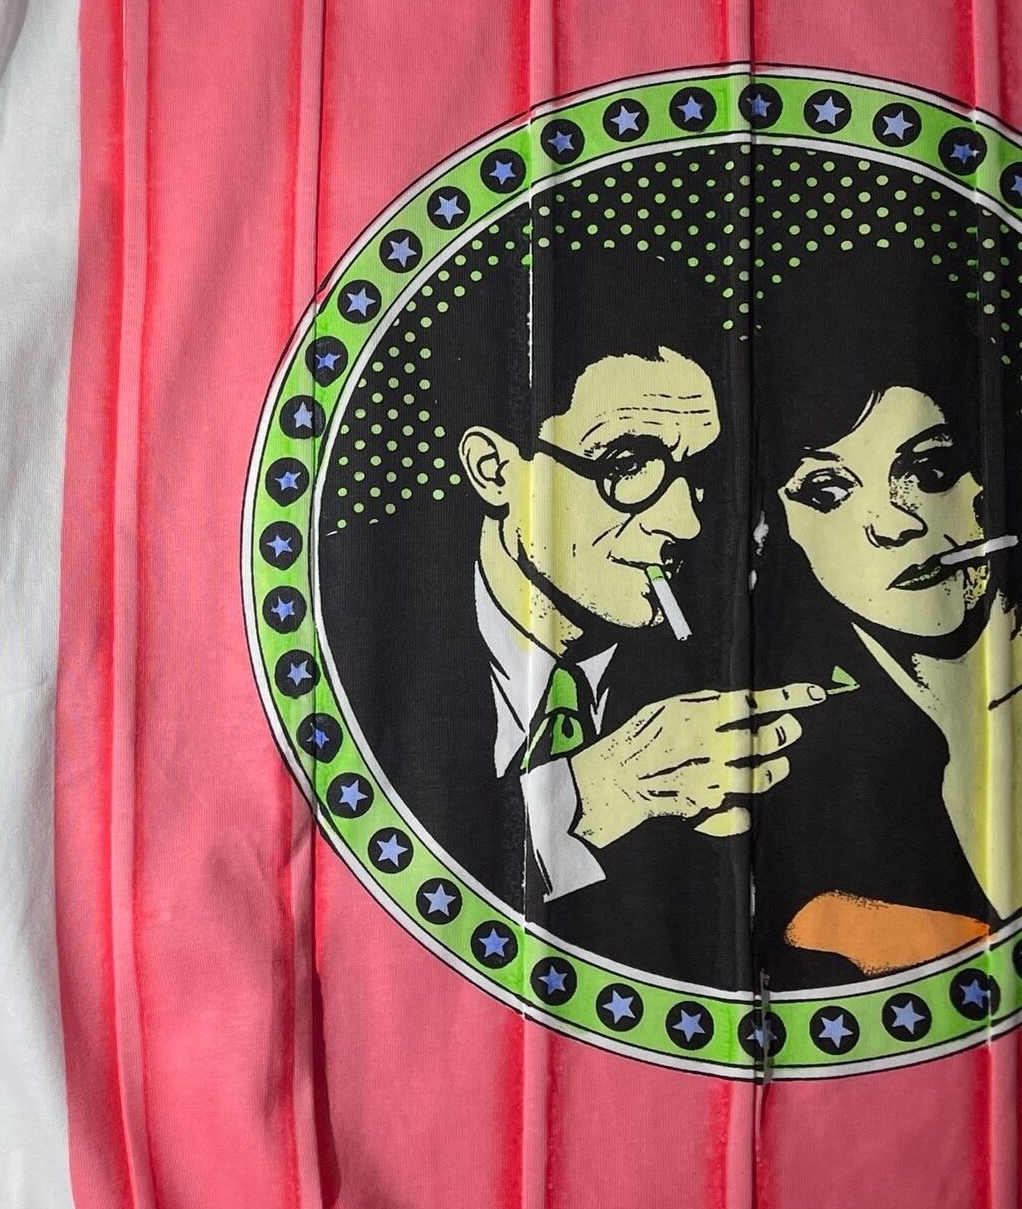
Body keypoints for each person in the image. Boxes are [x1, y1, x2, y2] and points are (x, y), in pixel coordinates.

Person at [325, 237, 818, 988]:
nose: (685, 522)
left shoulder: (731, 637)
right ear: (495, 469)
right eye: (629, 467)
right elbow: (359, 879)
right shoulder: (353, 617)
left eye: (701, 471)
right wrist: (587, 797)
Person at [749, 244, 1021, 987]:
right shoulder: (786, 764)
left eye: (928, 469)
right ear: (775, 527)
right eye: (828, 491)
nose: (895, 524)